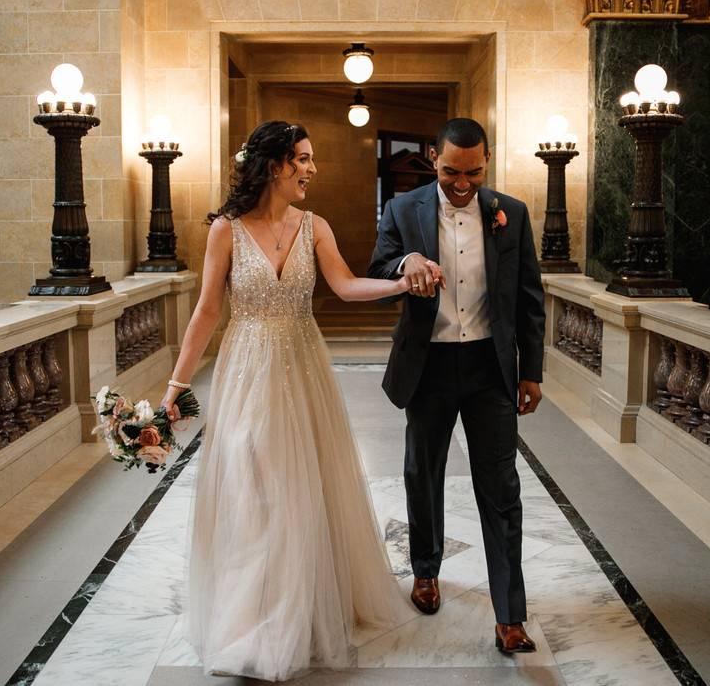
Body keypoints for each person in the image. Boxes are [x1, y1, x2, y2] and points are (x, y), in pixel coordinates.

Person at [159, 120, 425, 681]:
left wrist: (402, 284)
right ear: (274, 164)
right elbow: (207, 311)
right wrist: (176, 388)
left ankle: (293, 614)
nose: (311, 168)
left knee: (298, 487)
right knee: (253, 483)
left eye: (311, 158)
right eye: (302, 159)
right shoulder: (226, 230)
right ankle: (251, 617)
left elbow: (348, 285)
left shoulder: (315, 226)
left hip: (303, 369)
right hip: (246, 371)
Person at [367, 117, 546, 655]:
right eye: (450, 172)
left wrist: (531, 371)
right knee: (423, 474)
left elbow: (531, 298)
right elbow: (376, 269)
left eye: (473, 172)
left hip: (491, 369)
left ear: (486, 162)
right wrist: (406, 261)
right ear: (432, 158)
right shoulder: (404, 208)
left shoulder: (509, 213)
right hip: (429, 366)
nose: (462, 183)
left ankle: (510, 615)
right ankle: (426, 570)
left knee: (502, 490)